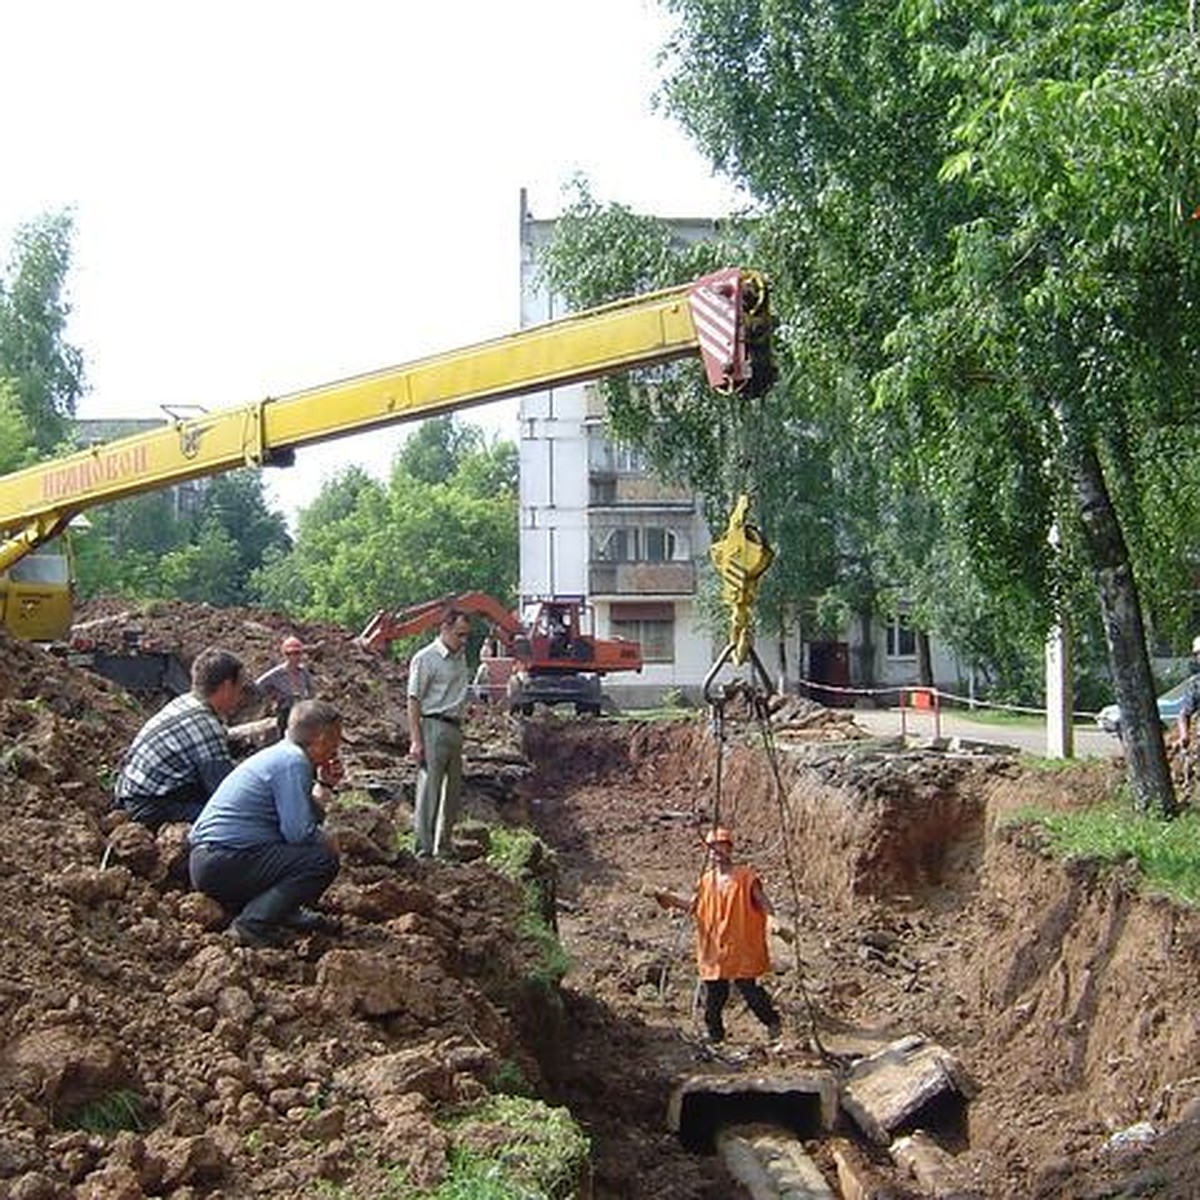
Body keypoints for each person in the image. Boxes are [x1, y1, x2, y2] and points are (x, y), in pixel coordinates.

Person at [189, 698, 343, 948]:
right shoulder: (293, 763)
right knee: (321, 860)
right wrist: (328, 841)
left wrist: (323, 785)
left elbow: (300, 818)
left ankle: (282, 911)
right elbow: (298, 834)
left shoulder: (282, 755)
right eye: (336, 739)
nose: (337, 748)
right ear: (322, 738)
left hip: (213, 860)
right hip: (222, 862)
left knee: (313, 852)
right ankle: (253, 923)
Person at [653, 826, 782, 1044]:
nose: (716, 852)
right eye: (711, 848)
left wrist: (771, 918)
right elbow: (695, 907)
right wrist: (671, 900)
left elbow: (762, 901)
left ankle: (772, 1022)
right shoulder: (706, 880)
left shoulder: (745, 876)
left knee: (749, 990)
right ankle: (715, 1036)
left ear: (729, 848)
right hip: (714, 946)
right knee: (714, 995)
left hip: (741, 944)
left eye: (720, 846)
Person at [114, 647, 246, 830]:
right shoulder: (205, 725)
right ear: (226, 687)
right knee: (231, 819)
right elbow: (225, 793)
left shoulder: (186, 702)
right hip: (148, 806)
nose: (240, 697)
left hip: (131, 791)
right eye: (239, 689)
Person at [407, 606, 472, 859]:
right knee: (429, 790)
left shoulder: (460, 656)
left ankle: (443, 846)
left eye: (467, 635)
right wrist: (416, 740)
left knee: (452, 792)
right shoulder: (425, 658)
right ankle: (423, 850)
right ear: (444, 628)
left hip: (455, 727)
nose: (464, 640)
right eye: (459, 634)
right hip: (433, 726)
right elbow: (414, 700)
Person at [255, 635, 315, 738]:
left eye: (297, 653)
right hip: (285, 711)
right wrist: (271, 697)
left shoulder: (303, 672)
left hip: (300, 711)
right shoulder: (277, 673)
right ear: (285, 655)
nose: (294, 657)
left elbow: (311, 690)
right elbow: (258, 686)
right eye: (290, 654)